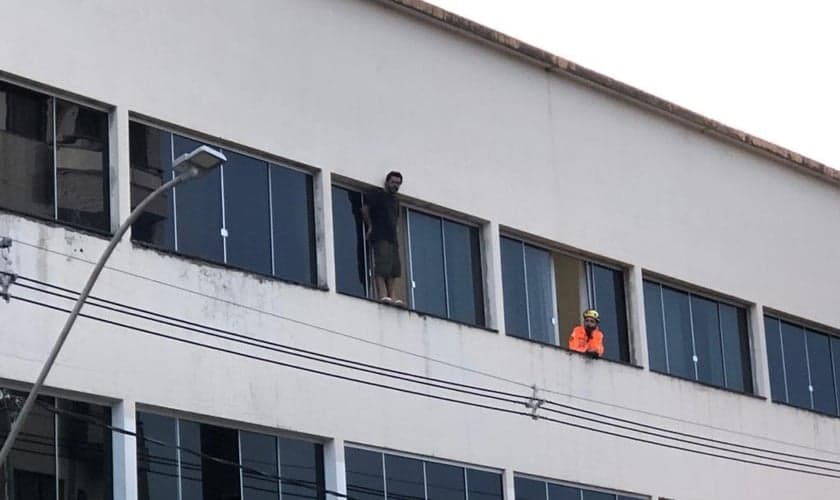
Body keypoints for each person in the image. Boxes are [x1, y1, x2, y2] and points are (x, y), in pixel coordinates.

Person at [361, 171, 403, 303]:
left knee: (394, 268)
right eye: (393, 182)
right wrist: (370, 226)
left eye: (398, 183)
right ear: (387, 182)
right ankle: (382, 294)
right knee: (382, 265)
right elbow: (364, 209)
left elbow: (395, 219)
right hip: (380, 235)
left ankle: (392, 295)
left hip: (392, 238)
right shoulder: (378, 195)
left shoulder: (396, 201)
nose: (395, 185)